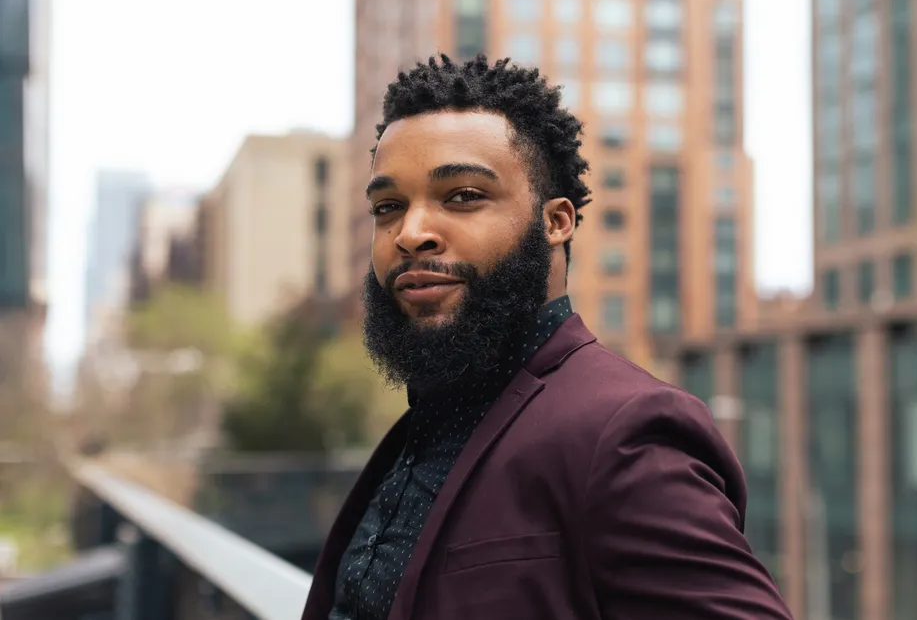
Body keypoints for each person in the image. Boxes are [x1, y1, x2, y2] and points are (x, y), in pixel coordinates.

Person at [301, 54, 792, 620]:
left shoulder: (625, 432)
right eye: (388, 207)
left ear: (556, 221)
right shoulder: (425, 428)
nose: (411, 233)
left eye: (462, 196)